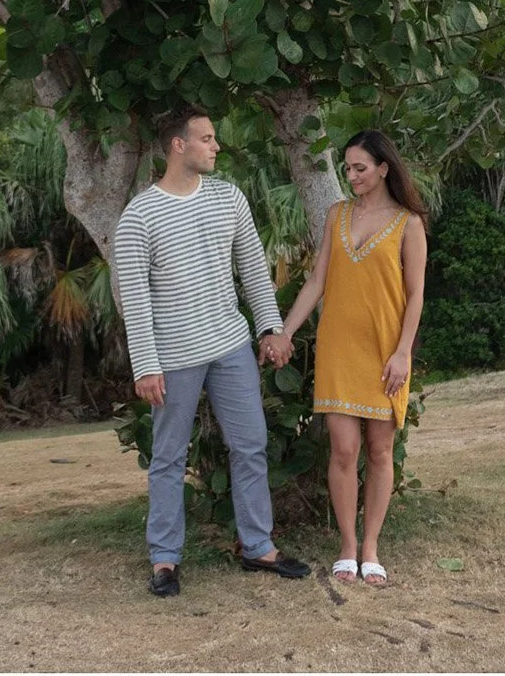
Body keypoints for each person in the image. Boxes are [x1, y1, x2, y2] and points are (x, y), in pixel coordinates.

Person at [115, 104, 311, 598]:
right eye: (206, 138)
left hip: (230, 345)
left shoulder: (229, 198)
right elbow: (135, 298)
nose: (216, 146)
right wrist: (146, 364)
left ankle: (258, 547)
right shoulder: (139, 216)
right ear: (178, 145)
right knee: (167, 457)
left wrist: (270, 326)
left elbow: (253, 268)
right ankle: (164, 560)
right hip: (174, 356)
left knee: (250, 445)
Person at [262, 128, 427, 589]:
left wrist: (402, 354)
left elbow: (415, 297)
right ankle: (347, 547)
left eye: (360, 168)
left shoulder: (408, 223)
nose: (351, 176)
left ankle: (371, 547)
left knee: (378, 450)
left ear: (383, 169)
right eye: (347, 168)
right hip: (338, 347)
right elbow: (317, 282)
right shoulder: (336, 215)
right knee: (342, 450)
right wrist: (285, 332)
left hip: (385, 352)